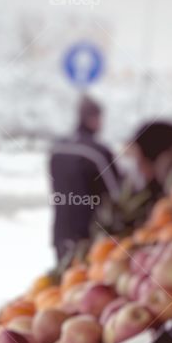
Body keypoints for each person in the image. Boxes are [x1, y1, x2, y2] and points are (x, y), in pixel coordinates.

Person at [48, 96, 120, 264]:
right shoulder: (97, 152)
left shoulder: (57, 149)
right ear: (93, 118)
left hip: (60, 231)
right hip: (90, 236)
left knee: (64, 283)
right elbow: (117, 193)